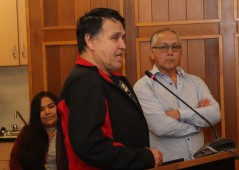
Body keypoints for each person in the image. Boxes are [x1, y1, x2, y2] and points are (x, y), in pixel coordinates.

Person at [57, 7, 163, 170]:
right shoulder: (84, 82)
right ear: (90, 40)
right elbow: (90, 146)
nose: (123, 45)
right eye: (115, 38)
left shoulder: (113, 79)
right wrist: (143, 158)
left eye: (123, 38)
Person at [133, 28, 221, 162]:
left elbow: (215, 114)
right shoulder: (144, 86)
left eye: (175, 47)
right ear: (152, 53)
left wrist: (179, 114)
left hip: (199, 161)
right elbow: (161, 127)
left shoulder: (195, 82)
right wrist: (199, 121)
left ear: (181, 52)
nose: (170, 52)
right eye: (163, 47)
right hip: (168, 164)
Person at [9, 91, 61, 170]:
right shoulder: (27, 132)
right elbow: (14, 161)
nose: (47, 112)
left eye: (51, 106)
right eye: (41, 109)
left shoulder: (68, 131)